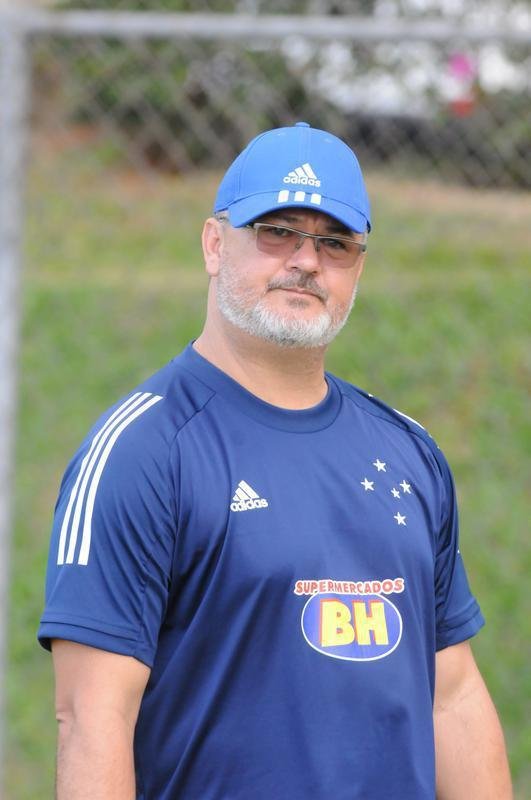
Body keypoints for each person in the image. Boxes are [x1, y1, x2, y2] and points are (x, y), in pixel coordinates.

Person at [39, 122, 512, 800]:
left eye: (334, 243)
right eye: (276, 231)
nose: (306, 261)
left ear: (358, 266)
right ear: (212, 243)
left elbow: (453, 696)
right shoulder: (142, 450)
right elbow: (90, 717)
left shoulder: (406, 450)